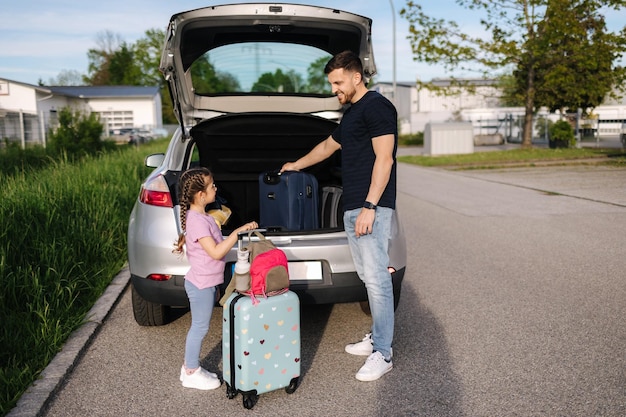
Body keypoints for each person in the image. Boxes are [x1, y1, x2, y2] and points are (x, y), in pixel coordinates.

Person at [281, 50, 397, 382]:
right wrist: (296, 165)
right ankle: (377, 337)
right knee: (367, 276)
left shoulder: (377, 107)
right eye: (332, 83)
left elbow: (384, 159)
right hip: (355, 207)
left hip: (369, 206)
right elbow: (327, 147)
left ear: (356, 76)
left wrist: (370, 207)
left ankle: (384, 353)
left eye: (337, 81)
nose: (334, 89)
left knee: (376, 279)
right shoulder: (352, 114)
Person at [173, 167, 258, 390]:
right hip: (200, 285)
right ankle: (190, 370)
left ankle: (189, 368)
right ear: (201, 195)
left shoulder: (202, 217)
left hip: (206, 283)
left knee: (200, 326)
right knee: (199, 328)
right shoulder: (198, 221)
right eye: (212, 186)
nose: (215, 188)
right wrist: (237, 232)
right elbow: (216, 252)